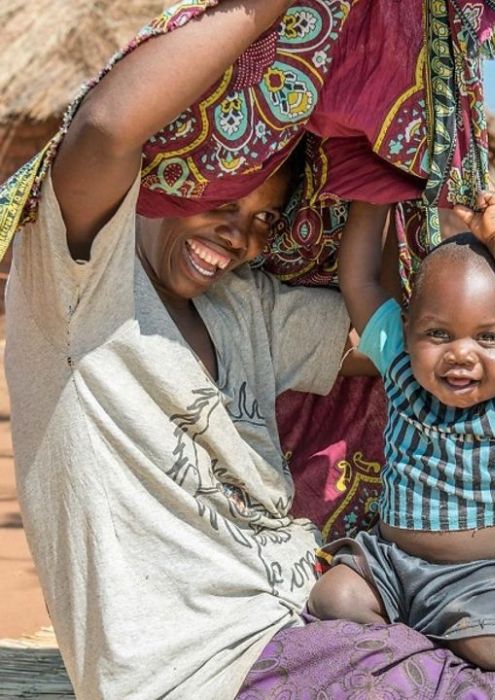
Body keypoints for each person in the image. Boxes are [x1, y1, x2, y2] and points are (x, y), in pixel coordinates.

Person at [4, 1, 375, 697]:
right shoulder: (79, 287)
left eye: (265, 218)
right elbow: (109, 127)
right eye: (224, 201)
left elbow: (394, 346)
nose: (240, 236)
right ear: (171, 170)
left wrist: (380, 191)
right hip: (207, 672)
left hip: (314, 615)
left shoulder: (246, 310)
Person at [308, 193, 495, 670]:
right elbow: (357, 279)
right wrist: (372, 193)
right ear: (407, 331)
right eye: (438, 334)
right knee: (334, 599)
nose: (462, 353)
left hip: (484, 578)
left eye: (488, 337)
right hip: (391, 563)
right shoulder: (400, 367)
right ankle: (420, 663)